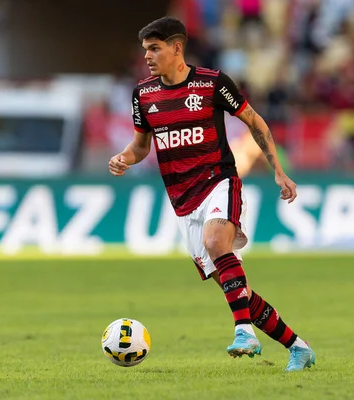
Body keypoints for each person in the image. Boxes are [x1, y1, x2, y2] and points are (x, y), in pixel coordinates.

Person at [108, 17, 315, 372]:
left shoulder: (212, 83)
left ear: (176, 48)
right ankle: (298, 347)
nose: (148, 56)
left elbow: (255, 121)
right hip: (182, 201)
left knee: (216, 239)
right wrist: (124, 158)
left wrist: (278, 171)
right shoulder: (144, 93)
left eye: (154, 48)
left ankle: (243, 332)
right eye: (146, 50)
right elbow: (142, 146)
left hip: (219, 181)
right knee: (239, 292)